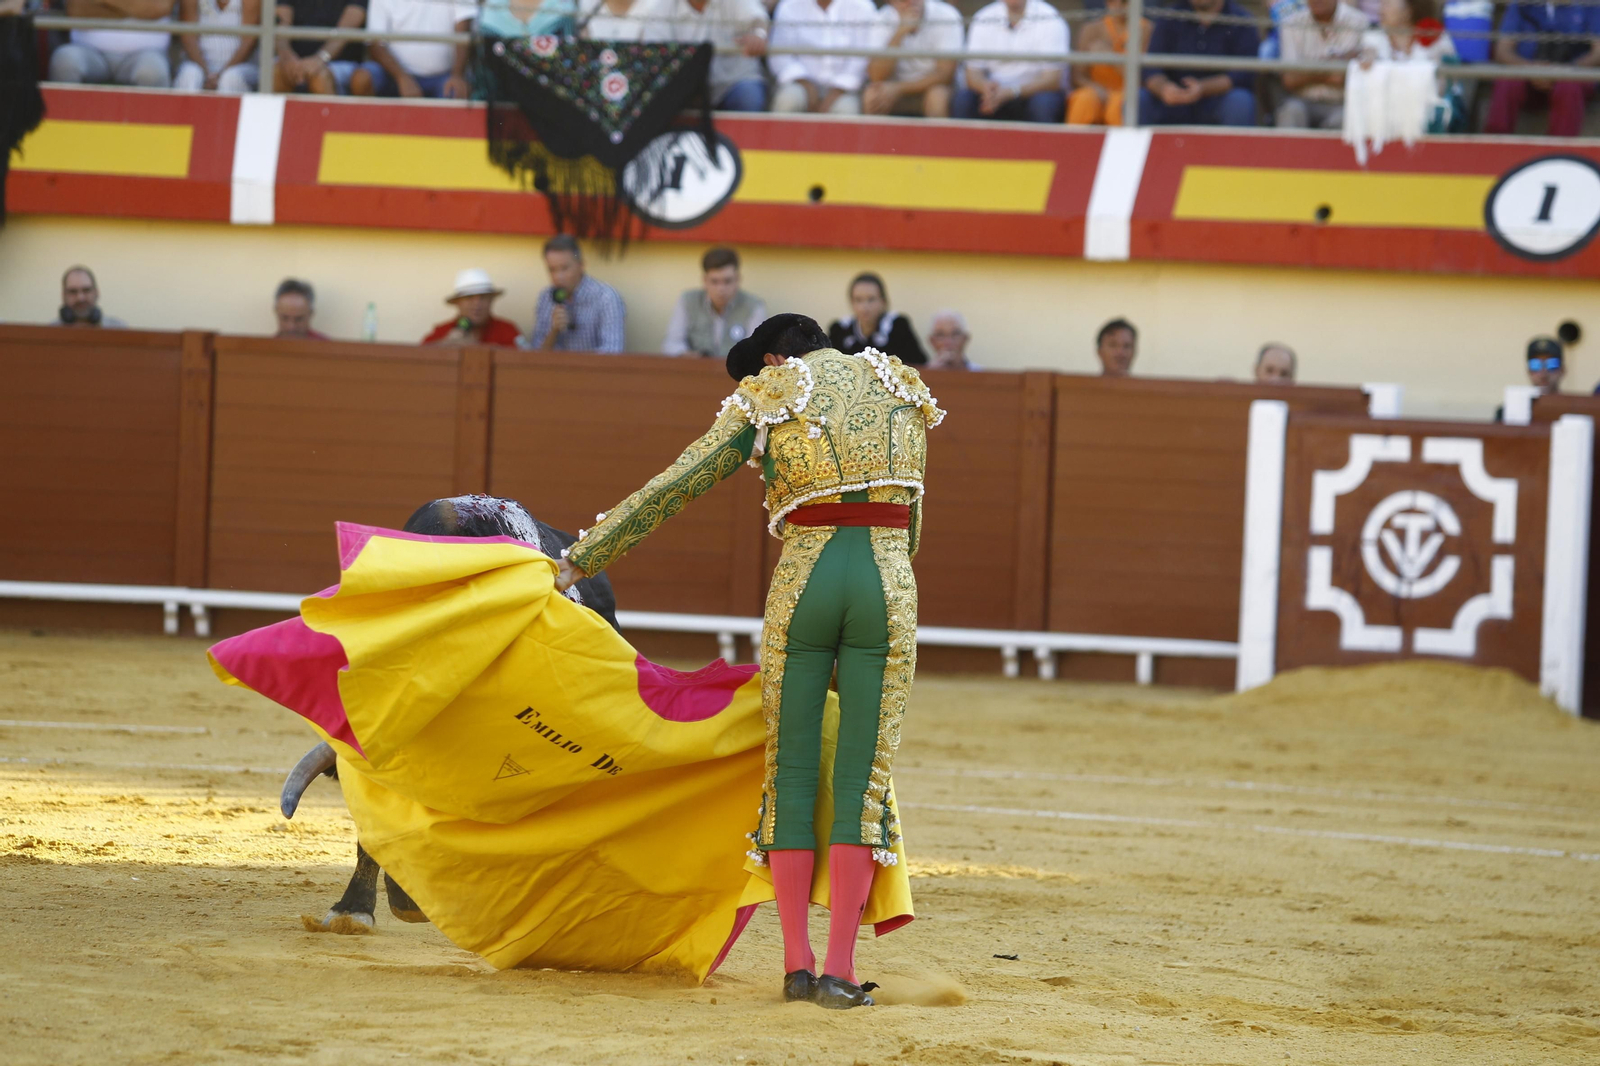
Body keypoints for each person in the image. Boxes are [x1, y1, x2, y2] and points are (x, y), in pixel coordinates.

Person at [557, 314, 944, 1009]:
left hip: (805, 585)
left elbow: (677, 483)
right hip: (888, 586)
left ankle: (797, 967)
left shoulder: (771, 392)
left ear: (771, 360)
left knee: (790, 771)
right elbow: (911, 520)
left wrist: (580, 560)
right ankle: (840, 972)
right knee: (863, 781)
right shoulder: (900, 384)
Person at [1484, 0, 1600, 138]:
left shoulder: (1591, 5)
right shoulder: (1520, 4)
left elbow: (1598, 52)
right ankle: (1494, 141)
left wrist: (1565, 71)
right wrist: (1531, 70)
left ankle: (1560, 148)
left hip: (1571, 75)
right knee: (1507, 80)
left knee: (1569, 85)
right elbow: (1502, 51)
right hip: (1527, 73)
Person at [1140, 0, 1260, 127]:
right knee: (1140, 99)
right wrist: (1164, 89)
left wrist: (1203, 88)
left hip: (1217, 100)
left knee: (1240, 102)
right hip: (1172, 101)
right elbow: (1151, 67)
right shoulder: (1170, 16)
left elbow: (1244, 72)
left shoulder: (1241, 20)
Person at [636, 0, 772, 112]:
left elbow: (759, 23)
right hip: (686, 86)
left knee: (748, 98)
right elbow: (655, 53)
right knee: (659, 102)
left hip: (735, 81)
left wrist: (758, 36)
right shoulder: (663, 7)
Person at [953, 0, 1070, 123]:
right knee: (963, 100)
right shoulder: (984, 16)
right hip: (993, 93)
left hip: (1033, 94)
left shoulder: (1050, 18)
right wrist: (985, 88)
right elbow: (972, 72)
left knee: (1044, 103)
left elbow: (1052, 80)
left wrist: (1012, 92)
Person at [1357, 0, 1462, 131]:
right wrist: (1366, 57)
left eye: (1387, 4)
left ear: (1408, 11)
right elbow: (1364, 61)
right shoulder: (1373, 37)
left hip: (1427, 114)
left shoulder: (1434, 36)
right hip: (1384, 115)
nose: (1381, 9)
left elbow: (1446, 86)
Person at [768, 0, 878, 115]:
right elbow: (780, 57)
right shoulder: (789, 6)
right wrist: (805, 83)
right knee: (788, 99)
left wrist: (837, 91)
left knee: (847, 110)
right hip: (799, 83)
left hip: (845, 91)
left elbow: (861, 61)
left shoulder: (862, 7)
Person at [1274, 0, 1369, 129]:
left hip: (1342, 103)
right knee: (1290, 112)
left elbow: (1345, 78)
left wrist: (1306, 71)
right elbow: (1289, 80)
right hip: (1301, 101)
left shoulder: (1358, 21)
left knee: (1346, 118)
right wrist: (1332, 66)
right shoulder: (1291, 23)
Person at [350, 0, 472, 98]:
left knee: (458, 90)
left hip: (443, 76)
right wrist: (402, 78)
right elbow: (375, 44)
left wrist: (457, 75)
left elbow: (463, 29)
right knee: (361, 80)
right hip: (392, 75)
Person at [863, 0, 962, 118]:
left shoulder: (947, 15)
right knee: (872, 95)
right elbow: (876, 76)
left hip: (930, 87)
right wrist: (900, 32)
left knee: (937, 96)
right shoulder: (882, 18)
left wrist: (899, 89)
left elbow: (945, 75)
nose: (911, 2)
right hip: (894, 89)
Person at [662, 247, 767, 359]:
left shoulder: (754, 307)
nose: (721, 289)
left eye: (727, 281)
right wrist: (688, 355)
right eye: (714, 281)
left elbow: (757, 352)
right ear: (705, 281)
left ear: (738, 279)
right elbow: (671, 344)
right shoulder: (687, 301)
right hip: (696, 368)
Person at [530, 235, 627, 353]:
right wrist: (554, 331)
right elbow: (536, 354)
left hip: (591, 366)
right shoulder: (546, 298)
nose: (558, 277)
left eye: (564, 268)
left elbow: (612, 351)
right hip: (554, 365)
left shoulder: (606, 298)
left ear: (581, 265)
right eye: (552, 270)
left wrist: (573, 362)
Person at [49, 0, 173, 88]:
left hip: (145, 54)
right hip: (89, 51)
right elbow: (76, 10)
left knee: (152, 71)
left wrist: (103, 4)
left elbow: (159, 8)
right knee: (64, 60)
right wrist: (136, 8)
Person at [1067, 0, 1150, 126]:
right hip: (1096, 89)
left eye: (1124, 2)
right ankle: (1073, 138)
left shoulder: (1146, 29)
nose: (1116, 5)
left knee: (1117, 105)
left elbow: (1144, 79)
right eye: (1111, 1)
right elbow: (1078, 76)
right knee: (1084, 100)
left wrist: (1112, 58)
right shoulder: (1092, 29)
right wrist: (1096, 88)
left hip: (1128, 91)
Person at [827, 273, 928, 365]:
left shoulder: (898, 326)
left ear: (883, 302)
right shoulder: (840, 329)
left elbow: (919, 366)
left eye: (871, 299)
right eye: (858, 300)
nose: (864, 307)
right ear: (851, 302)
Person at [274, 0, 369, 94]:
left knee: (319, 77)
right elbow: (281, 23)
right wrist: (287, 57)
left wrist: (320, 58)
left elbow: (346, 30)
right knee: (277, 73)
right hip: (296, 60)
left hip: (341, 62)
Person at [175, 0, 261, 93]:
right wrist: (207, 73)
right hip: (198, 64)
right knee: (190, 75)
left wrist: (220, 75)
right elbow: (188, 36)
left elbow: (249, 41)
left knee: (231, 79)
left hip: (242, 66)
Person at [423, 269, 523, 347]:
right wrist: (447, 343)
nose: (477, 304)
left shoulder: (508, 330)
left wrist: (474, 346)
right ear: (457, 302)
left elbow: (524, 358)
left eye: (483, 297)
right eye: (469, 298)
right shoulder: (443, 331)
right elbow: (420, 354)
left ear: (491, 301)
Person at [56, 266, 125, 328]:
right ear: (63, 296)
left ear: (96, 293)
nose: (80, 298)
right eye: (73, 292)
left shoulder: (119, 330)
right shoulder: (51, 332)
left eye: (86, 290)